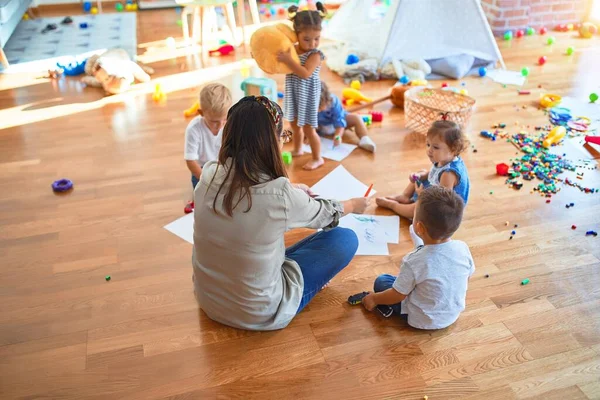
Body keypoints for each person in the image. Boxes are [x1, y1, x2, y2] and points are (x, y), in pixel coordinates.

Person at [192, 96, 369, 331]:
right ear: (271, 141)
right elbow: (325, 214)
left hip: (209, 298)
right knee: (344, 239)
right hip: (259, 312)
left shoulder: (209, 173)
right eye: (283, 136)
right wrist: (354, 204)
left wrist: (292, 193)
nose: (284, 142)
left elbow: (249, 194)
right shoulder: (280, 196)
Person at [362, 186, 475, 330]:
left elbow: (397, 295)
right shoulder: (462, 247)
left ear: (420, 228)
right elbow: (465, 276)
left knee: (382, 281)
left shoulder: (414, 261)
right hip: (452, 315)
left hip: (421, 319)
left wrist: (374, 298)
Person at [375, 120, 470, 220]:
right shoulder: (445, 158)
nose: (429, 150)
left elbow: (442, 202)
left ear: (453, 149)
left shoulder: (449, 174)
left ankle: (393, 206)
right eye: (428, 144)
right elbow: (435, 174)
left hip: (446, 209)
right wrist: (421, 176)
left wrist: (422, 195)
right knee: (421, 173)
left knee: (415, 209)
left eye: (435, 147)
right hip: (438, 191)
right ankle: (405, 196)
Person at [276, 2, 327, 170]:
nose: (312, 43)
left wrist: (288, 60)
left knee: (308, 128)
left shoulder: (316, 55)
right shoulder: (292, 49)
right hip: (294, 92)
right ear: (296, 34)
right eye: (306, 39)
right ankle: (298, 148)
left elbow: (305, 73)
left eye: (317, 39)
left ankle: (317, 157)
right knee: (295, 125)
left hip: (308, 95)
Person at [183, 83, 232, 213]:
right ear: (201, 113)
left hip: (223, 165)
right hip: (202, 169)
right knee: (203, 200)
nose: (220, 125)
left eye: (224, 119)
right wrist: (207, 181)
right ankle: (194, 199)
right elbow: (190, 160)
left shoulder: (228, 125)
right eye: (214, 121)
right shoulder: (194, 129)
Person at [318, 81, 376, 152]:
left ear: (327, 100)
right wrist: (310, 135)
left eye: (319, 107)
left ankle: (365, 139)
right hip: (319, 127)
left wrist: (338, 136)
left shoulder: (334, 101)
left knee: (356, 118)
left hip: (336, 124)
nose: (317, 109)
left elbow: (340, 120)